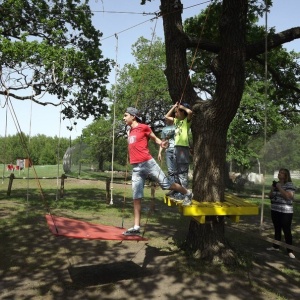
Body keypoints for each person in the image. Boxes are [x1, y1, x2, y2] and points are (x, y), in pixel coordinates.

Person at [123, 107, 193, 235]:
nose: (124, 118)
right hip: (136, 167)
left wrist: (162, 144)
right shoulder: (130, 131)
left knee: (167, 185)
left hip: (148, 163)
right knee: (136, 196)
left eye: (126, 115)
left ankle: (187, 193)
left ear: (133, 116)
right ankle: (136, 227)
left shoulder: (144, 127)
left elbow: (155, 139)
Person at [165, 102, 193, 205]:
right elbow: (166, 116)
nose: (175, 113)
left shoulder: (186, 121)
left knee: (182, 174)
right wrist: (174, 107)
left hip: (183, 149)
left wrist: (181, 107)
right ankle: (180, 193)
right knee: (176, 173)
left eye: (177, 112)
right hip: (176, 148)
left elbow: (190, 112)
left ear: (182, 112)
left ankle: (187, 196)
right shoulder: (177, 121)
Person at [267, 168, 296, 259]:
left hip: (286, 211)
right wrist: (272, 189)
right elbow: (270, 196)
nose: (279, 174)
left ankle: (290, 250)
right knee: (277, 228)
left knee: (286, 230)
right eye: (279, 172)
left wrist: (279, 188)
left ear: (286, 175)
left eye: (282, 173)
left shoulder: (289, 185)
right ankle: (276, 246)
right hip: (275, 210)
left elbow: (289, 197)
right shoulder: (276, 184)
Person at [158, 118, 175, 194]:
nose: (165, 121)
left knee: (177, 170)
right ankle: (173, 189)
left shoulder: (177, 126)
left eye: (167, 119)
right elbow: (163, 142)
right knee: (170, 171)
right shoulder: (164, 129)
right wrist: (159, 153)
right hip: (168, 151)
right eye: (165, 120)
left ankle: (180, 190)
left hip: (177, 149)